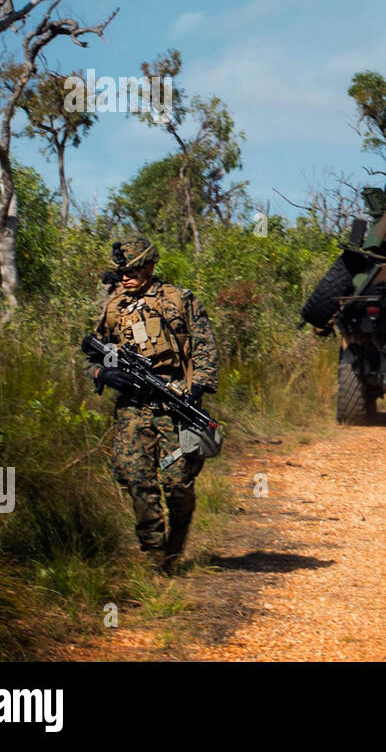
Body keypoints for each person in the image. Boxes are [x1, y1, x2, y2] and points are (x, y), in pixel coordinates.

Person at [87, 235, 218, 573]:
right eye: (121, 271)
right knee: (136, 480)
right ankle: (156, 560)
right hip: (132, 407)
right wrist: (104, 373)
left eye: (131, 270)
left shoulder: (180, 300)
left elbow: (205, 347)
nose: (125, 276)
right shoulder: (114, 307)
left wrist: (196, 386)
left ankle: (175, 544)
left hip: (173, 401)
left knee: (177, 484)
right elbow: (91, 353)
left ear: (149, 265)